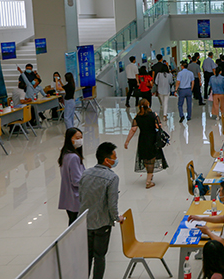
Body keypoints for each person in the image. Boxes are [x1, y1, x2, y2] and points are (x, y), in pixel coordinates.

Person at [79, 142, 124, 279]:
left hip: (85, 222)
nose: (116, 159)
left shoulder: (86, 173)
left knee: (87, 256)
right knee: (99, 256)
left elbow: (81, 196)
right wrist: (117, 218)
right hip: (102, 224)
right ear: (107, 160)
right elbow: (112, 204)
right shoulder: (112, 178)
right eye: (114, 157)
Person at [123, 99, 168, 189]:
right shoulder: (153, 115)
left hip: (142, 139)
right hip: (152, 139)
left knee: (145, 158)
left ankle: (149, 175)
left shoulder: (137, 117)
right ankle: (148, 181)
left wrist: (127, 141)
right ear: (148, 105)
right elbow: (158, 126)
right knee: (151, 159)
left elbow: (133, 129)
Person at [58, 127, 85, 225]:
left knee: (73, 224)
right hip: (75, 197)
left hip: (68, 197)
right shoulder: (74, 157)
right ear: (70, 139)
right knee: (77, 226)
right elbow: (76, 180)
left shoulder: (65, 154)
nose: (80, 140)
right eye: (77, 138)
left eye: (81, 137)